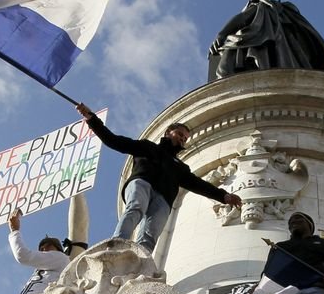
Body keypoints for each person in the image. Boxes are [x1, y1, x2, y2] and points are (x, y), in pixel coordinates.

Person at [75, 102, 242, 252]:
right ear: (168, 132)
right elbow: (113, 140)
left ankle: (141, 260)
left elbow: (199, 184)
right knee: (136, 207)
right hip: (142, 182)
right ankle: (117, 244)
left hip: (164, 198)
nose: (182, 140)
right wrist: (92, 119)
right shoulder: (147, 146)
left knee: (151, 231)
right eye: (180, 134)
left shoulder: (181, 167)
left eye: (185, 138)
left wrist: (223, 196)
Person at [8, 209, 86, 294]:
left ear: (58, 248)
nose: (44, 249)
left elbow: (22, 254)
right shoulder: (43, 269)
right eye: (41, 249)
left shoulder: (60, 257)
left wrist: (14, 231)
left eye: (48, 246)